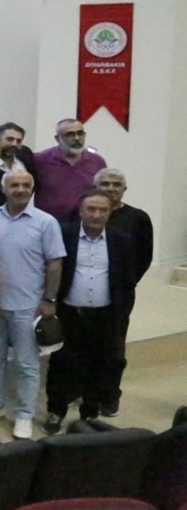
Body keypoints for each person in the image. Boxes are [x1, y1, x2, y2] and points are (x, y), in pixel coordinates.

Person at [0, 170, 64, 439]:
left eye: (26, 185)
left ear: (32, 189)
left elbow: (55, 263)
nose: (21, 189)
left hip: (29, 306)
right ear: (4, 189)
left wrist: (49, 299)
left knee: (27, 364)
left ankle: (25, 414)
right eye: (14, 185)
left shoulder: (46, 222)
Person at [44, 189, 138, 434]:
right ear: (81, 211)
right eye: (91, 209)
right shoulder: (65, 234)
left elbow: (127, 281)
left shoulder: (121, 240)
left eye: (102, 210)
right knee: (62, 364)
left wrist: (121, 314)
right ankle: (56, 410)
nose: (96, 215)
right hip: (69, 313)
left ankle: (89, 414)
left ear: (110, 213)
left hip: (104, 315)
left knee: (99, 365)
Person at [92, 168, 153, 417]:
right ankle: (83, 389)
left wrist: (126, 283)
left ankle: (109, 396)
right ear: (96, 187)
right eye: (105, 183)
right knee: (83, 344)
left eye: (116, 184)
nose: (111, 188)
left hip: (120, 295)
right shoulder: (85, 213)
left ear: (124, 189)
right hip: (85, 293)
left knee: (114, 346)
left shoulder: (138, 218)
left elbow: (144, 256)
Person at [35, 118, 108, 222]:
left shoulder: (97, 161)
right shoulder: (40, 160)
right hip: (48, 224)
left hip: (85, 225)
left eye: (80, 133)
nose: (77, 138)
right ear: (57, 139)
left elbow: (103, 194)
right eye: (70, 134)